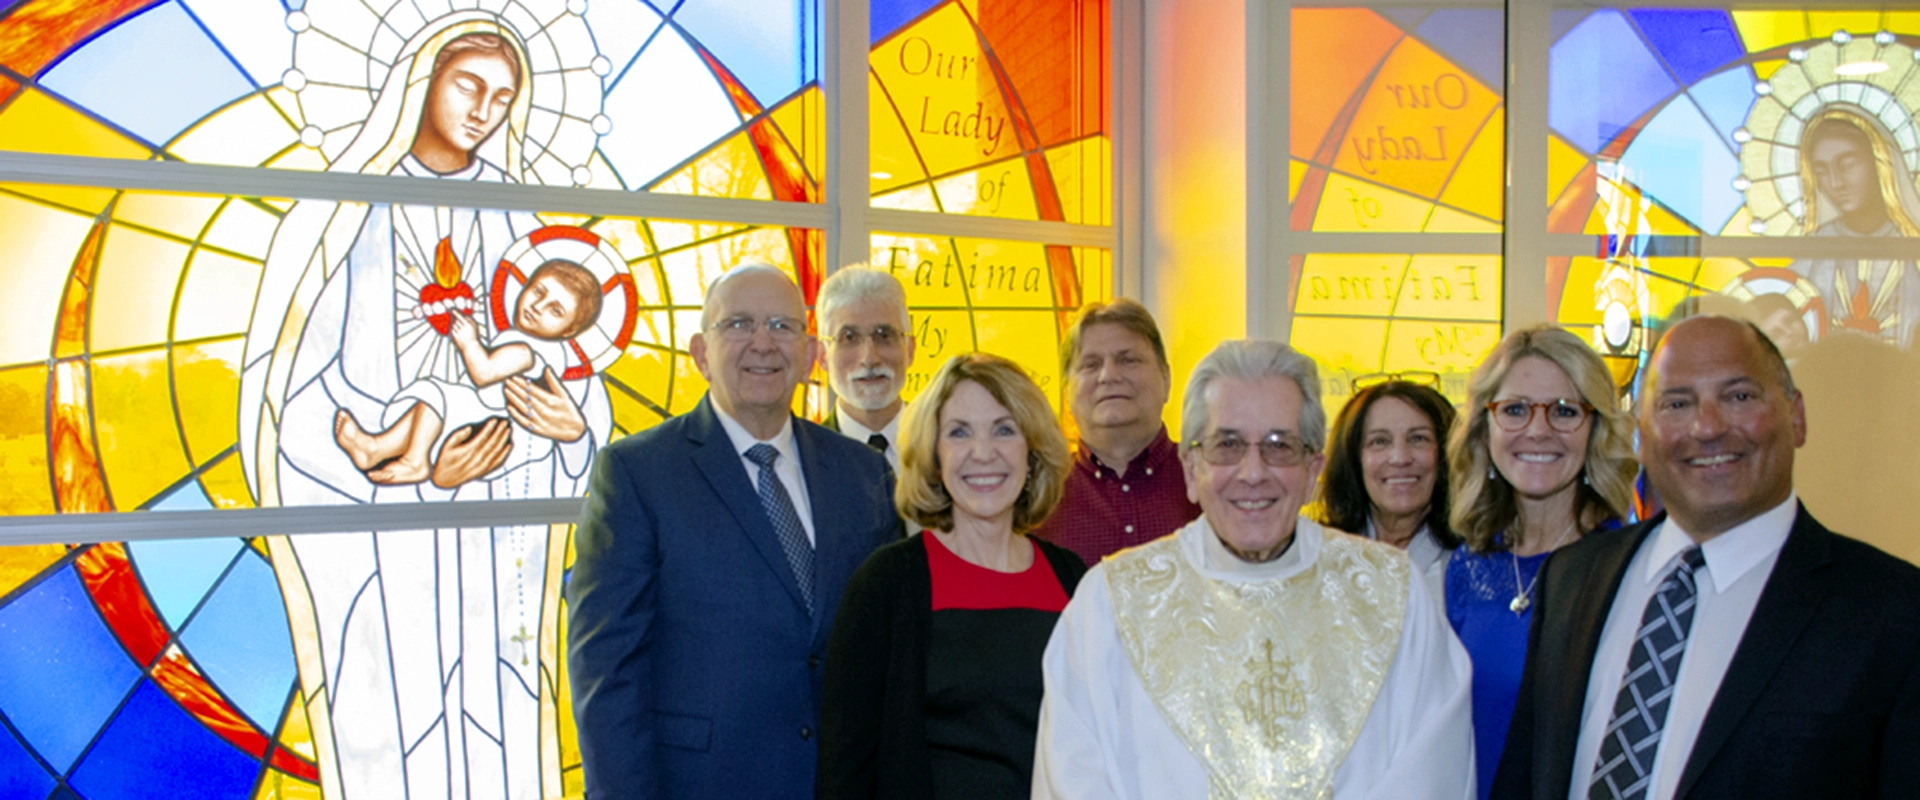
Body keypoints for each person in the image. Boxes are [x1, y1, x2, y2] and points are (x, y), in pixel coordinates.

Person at [239, 24, 608, 797]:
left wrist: (571, 436)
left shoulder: (523, 219)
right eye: (468, 87)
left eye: (503, 98)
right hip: (383, 541)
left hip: (499, 529)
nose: (485, 111)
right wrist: (404, 472)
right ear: (420, 81)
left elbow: (574, 375)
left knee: (500, 714)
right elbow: (293, 397)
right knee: (392, 721)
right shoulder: (338, 217)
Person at [1493, 316, 1920, 799]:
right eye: (1677, 403)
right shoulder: (1572, 577)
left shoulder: (1894, 614)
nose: (1708, 427)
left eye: (1739, 397)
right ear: (1643, 432)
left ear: (1796, 415)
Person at [1033, 339, 1473, 799]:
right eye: (1227, 445)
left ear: (1313, 469)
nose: (1253, 472)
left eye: (1280, 446)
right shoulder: (1109, 605)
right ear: (1190, 468)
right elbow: (1075, 774)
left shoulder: (1392, 595)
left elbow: (1431, 770)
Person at [566, 265, 900, 799]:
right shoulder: (637, 473)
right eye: (739, 324)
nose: (763, 343)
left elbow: (889, 654)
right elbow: (606, 674)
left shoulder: (863, 474)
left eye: (782, 326)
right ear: (700, 353)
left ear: (811, 353)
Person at [818, 353, 1085, 799]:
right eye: (959, 432)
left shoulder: (1072, 580)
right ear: (934, 455)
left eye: (1004, 429)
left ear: (1032, 451)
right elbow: (845, 772)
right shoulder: (885, 585)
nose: (983, 453)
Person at [1443, 325, 1637, 800]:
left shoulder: (1628, 571)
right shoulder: (1465, 568)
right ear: (1484, 429)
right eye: (1514, 410)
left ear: (1595, 431)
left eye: (1565, 411)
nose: (1537, 429)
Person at [332, 258, 603, 482]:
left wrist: (469, 342)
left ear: (569, 331)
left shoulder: (527, 351)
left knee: (436, 394)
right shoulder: (526, 342)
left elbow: (483, 374)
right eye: (538, 291)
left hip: (490, 421)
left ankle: (415, 461)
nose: (536, 306)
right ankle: (375, 448)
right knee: (426, 407)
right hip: (483, 412)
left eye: (555, 310)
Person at [1031, 299, 1199, 563]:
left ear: (1166, 380)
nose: (1109, 375)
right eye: (1091, 364)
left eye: (1129, 360)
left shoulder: (1210, 479)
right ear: (1067, 393)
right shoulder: (1036, 496)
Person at [1318, 378, 1461, 605]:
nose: (1400, 458)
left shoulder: (1479, 563)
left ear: (1447, 453)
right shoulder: (1316, 559)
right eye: (1380, 441)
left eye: (1418, 439)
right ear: (1353, 459)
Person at [1793, 109, 1920, 348]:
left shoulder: (1913, 245)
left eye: (1848, 165)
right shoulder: (1812, 252)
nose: (1836, 182)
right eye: (1821, 171)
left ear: (1880, 164)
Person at [816, 266, 917, 471]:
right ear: (822, 356)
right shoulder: (803, 460)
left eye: (884, 335)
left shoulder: (945, 448)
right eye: (849, 338)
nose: (869, 358)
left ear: (910, 349)